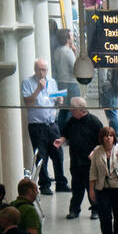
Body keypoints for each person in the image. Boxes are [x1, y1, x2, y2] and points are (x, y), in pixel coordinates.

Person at [22, 59, 69, 195]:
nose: (43, 73)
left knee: (58, 153)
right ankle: (44, 185)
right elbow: (27, 102)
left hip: (52, 123)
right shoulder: (27, 83)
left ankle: (61, 182)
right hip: (37, 125)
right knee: (41, 155)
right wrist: (38, 89)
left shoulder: (52, 82)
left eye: (45, 70)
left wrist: (59, 100)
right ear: (35, 70)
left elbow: (53, 100)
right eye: (40, 69)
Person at [58, 98, 104, 221]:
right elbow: (66, 134)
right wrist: (61, 140)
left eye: (73, 109)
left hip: (90, 163)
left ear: (81, 110)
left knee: (92, 188)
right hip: (76, 161)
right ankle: (74, 210)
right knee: (76, 188)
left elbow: (102, 142)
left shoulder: (94, 122)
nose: (71, 111)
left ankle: (96, 210)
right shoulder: (72, 121)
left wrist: (95, 151)